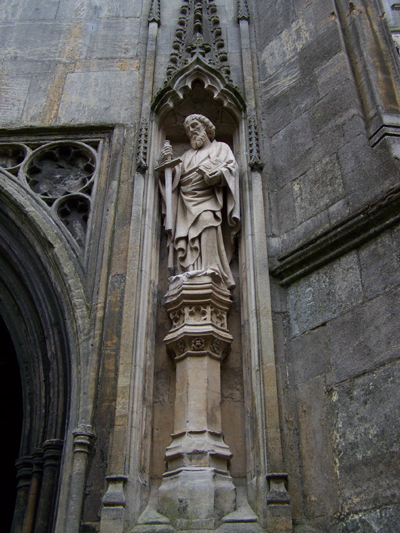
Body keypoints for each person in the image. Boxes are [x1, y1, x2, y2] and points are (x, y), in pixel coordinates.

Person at [158, 114, 240, 289]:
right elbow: (173, 179)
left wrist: (218, 175)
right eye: (188, 130)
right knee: (188, 238)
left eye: (195, 126)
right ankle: (191, 271)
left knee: (207, 220)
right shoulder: (186, 156)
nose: (191, 131)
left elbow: (232, 169)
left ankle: (212, 269)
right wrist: (165, 163)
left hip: (209, 199)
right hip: (185, 204)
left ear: (206, 128)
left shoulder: (221, 148)